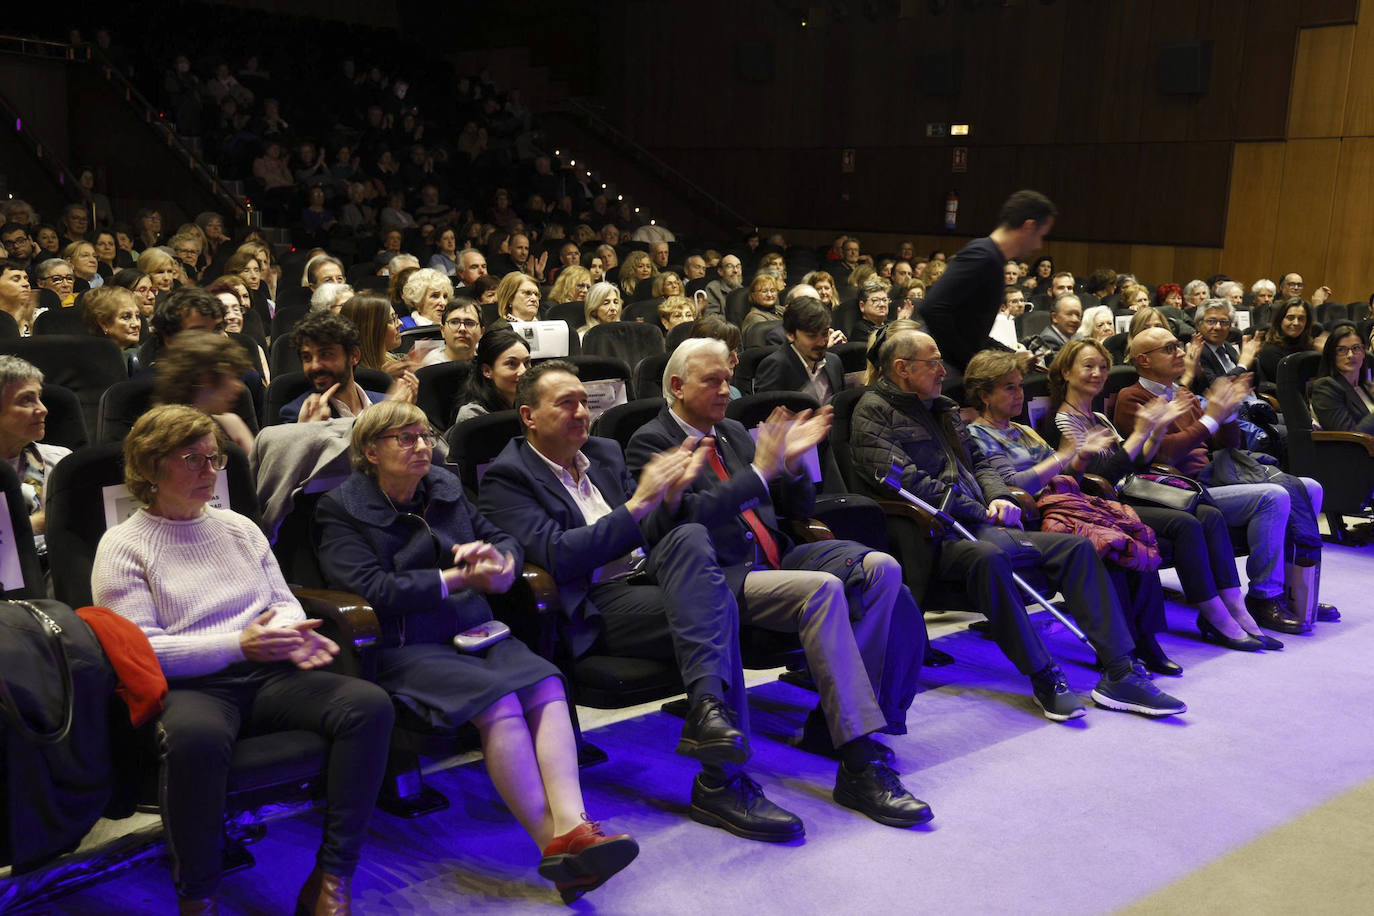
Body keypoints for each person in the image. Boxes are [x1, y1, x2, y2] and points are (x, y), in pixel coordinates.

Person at [481, 362, 837, 842]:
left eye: (585, 401)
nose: (582, 412)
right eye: (566, 403)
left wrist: (669, 501)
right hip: (594, 603)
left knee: (690, 536)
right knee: (719, 605)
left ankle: (709, 719)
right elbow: (559, 558)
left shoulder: (603, 454)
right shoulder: (507, 476)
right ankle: (721, 779)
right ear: (528, 415)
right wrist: (641, 504)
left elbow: (653, 531)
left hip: (650, 580)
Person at [314, 401, 637, 901]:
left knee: (547, 681)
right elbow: (367, 587)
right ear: (371, 452)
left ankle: (575, 827)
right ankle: (555, 845)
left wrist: (501, 562)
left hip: (474, 628)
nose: (422, 446)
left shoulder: (443, 488)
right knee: (500, 701)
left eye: (425, 434)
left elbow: (501, 537)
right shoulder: (341, 508)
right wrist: (455, 578)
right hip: (406, 644)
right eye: (406, 438)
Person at [92, 404, 394, 914]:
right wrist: (239, 644)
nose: (210, 472)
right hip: (191, 686)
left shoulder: (238, 527)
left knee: (369, 705)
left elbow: (283, 601)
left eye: (215, 460)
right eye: (193, 460)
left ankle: (332, 876)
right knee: (196, 738)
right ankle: (199, 895)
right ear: (148, 468)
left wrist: (287, 635)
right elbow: (141, 651)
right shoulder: (123, 546)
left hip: (266, 672)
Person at [625, 339, 931, 823]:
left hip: (778, 558)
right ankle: (858, 760)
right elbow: (677, 528)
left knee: (882, 571)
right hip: (723, 577)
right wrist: (761, 470)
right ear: (677, 386)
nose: (726, 389)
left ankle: (836, 726)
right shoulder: (650, 441)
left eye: (728, 378)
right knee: (823, 588)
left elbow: (795, 512)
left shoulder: (730, 433)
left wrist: (791, 466)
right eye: (712, 380)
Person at [847, 328, 1186, 720]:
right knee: (988, 557)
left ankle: (1121, 672)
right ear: (902, 368)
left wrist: (999, 497)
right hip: (933, 534)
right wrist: (979, 509)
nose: (943, 371)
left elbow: (983, 464)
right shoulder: (871, 412)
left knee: (1076, 547)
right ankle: (1045, 676)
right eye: (933, 362)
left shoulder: (942, 407)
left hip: (983, 523)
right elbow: (905, 483)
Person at [1041, 341, 1280, 652]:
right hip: (1099, 504)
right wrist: (1141, 433)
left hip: (1127, 490)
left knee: (1208, 511)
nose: (1098, 373)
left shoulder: (1098, 417)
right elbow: (1098, 480)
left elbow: (1137, 462)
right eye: (1088, 366)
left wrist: (1155, 431)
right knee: (1186, 523)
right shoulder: (1062, 421)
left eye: (1102, 366)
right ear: (1066, 373)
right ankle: (1215, 615)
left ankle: (1236, 608)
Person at [963, 347, 1189, 671]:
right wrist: (1063, 454)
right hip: (1030, 516)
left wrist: (1080, 458)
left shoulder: (1023, 430)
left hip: (1063, 505)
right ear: (984, 394)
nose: (1019, 394)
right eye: (1009, 387)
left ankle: (1147, 640)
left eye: (1019, 385)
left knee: (1134, 537)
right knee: (1108, 547)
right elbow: (1013, 484)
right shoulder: (978, 435)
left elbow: (1066, 478)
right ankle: (1115, 648)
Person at [1115, 326, 1335, 633]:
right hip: (1180, 490)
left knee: (1310, 487)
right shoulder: (1132, 398)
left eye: (1179, 346)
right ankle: (1263, 596)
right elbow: (1165, 456)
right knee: (1273, 495)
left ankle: (1296, 592)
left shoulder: (1182, 393)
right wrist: (1211, 417)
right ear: (1144, 360)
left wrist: (1228, 414)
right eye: (1169, 348)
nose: (1180, 352)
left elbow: (1227, 444)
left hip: (1215, 477)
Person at [922, 190, 1057, 371]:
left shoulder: (992, 259)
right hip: (943, 371)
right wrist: (971, 364)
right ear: (1029, 227)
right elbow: (932, 308)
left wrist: (1011, 357)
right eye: (1041, 235)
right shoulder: (982, 255)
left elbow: (972, 332)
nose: (1039, 245)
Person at [280, 311, 416, 423]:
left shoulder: (384, 401)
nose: (315, 366)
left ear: (354, 356)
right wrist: (309, 432)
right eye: (307, 357)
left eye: (326, 354)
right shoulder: (297, 414)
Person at [0, 356, 71, 539]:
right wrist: (37, 523)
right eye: (26, 400)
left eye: (39, 397)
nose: (43, 409)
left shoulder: (61, 462)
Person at [153, 329, 254, 453]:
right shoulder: (158, 437)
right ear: (206, 379)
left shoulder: (231, 425)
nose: (239, 387)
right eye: (233, 377)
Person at [754, 297, 844, 403]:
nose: (821, 342)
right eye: (812, 336)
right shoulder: (775, 366)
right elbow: (764, 415)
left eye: (824, 333)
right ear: (790, 335)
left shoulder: (834, 362)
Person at [452, 330, 530, 424]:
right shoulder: (472, 415)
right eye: (512, 363)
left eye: (526, 363)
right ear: (487, 370)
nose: (523, 371)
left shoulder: (533, 402)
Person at [1310, 322, 1374, 433]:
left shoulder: (1365, 385)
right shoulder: (1325, 388)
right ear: (1332, 355)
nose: (1350, 355)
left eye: (1356, 348)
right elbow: (1347, 437)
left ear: (1364, 352)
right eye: (1341, 350)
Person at [1256, 297, 1317, 385]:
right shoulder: (1270, 351)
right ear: (1280, 320)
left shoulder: (1310, 347)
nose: (1296, 323)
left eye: (1301, 318)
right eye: (1290, 317)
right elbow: (1289, 383)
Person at [82, 285, 142, 366]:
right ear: (104, 324)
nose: (136, 324)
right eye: (126, 317)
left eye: (137, 316)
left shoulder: (150, 357)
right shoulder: (87, 362)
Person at [422, 299, 484, 366]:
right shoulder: (430, 366)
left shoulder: (490, 360)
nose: (462, 328)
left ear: (481, 332)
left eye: (469, 323)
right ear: (442, 330)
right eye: (454, 322)